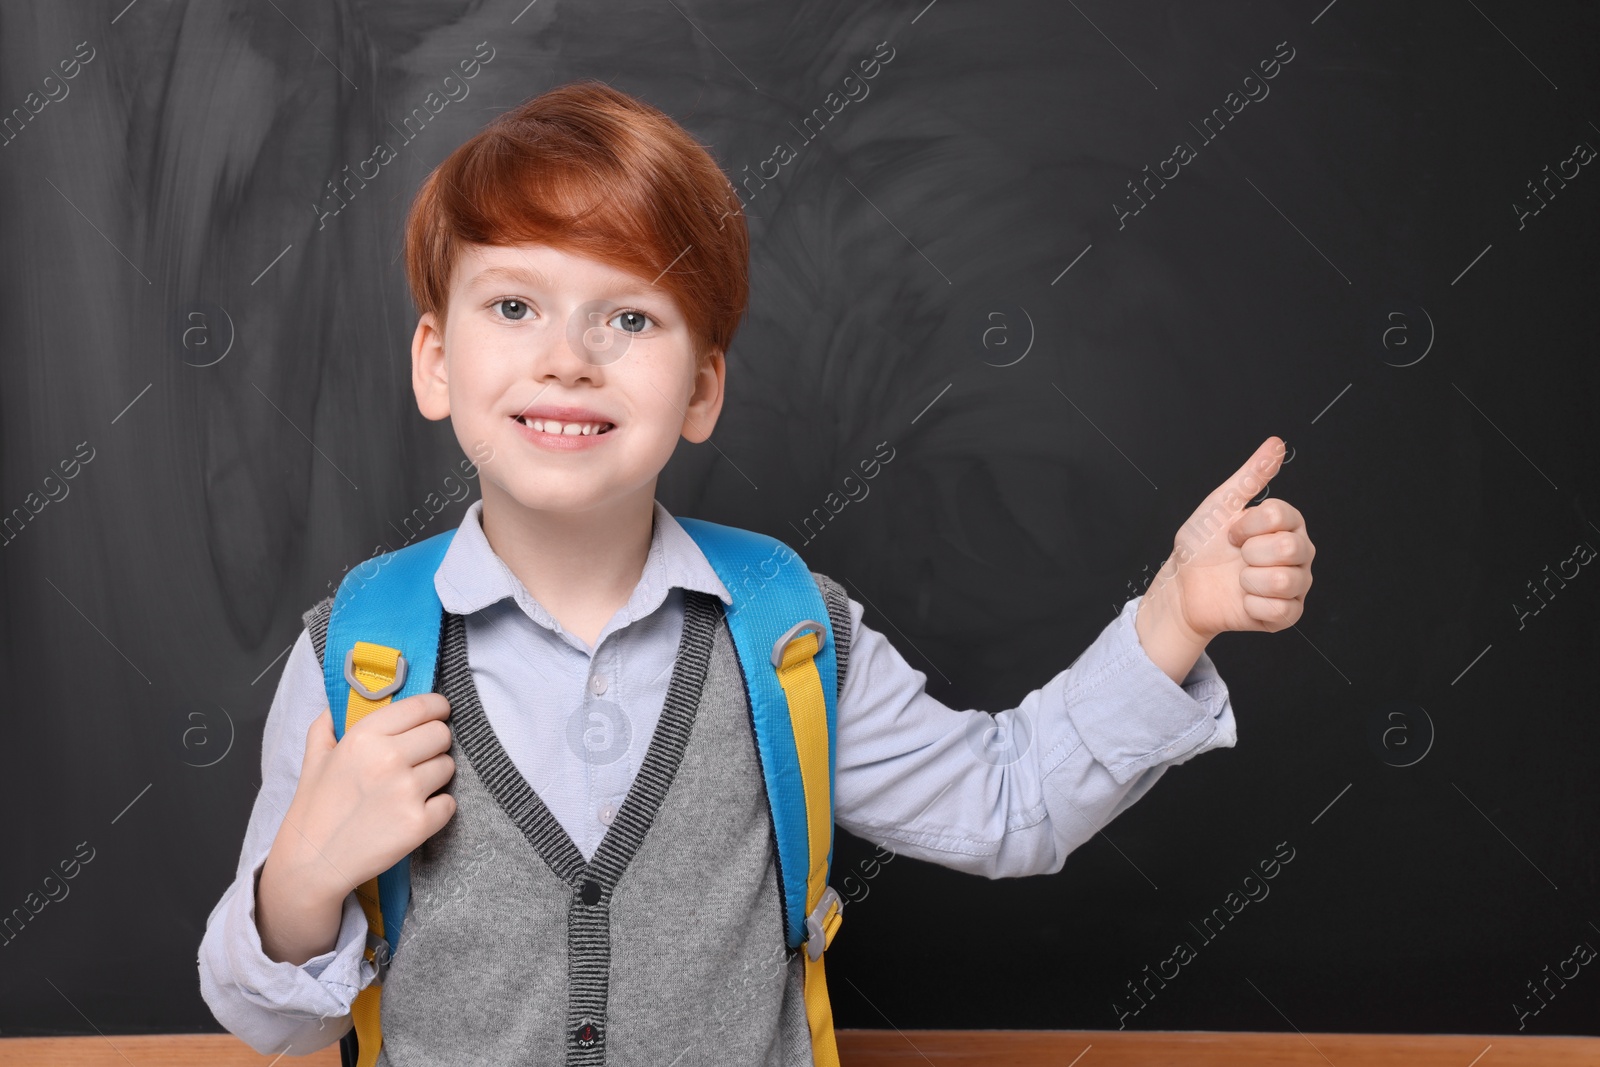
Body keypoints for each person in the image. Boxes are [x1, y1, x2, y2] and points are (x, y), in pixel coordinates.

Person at [197, 80, 1314, 1065]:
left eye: (629, 316)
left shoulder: (789, 635)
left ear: (701, 390)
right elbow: (275, 1023)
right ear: (436, 363)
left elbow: (1008, 804)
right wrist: (301, 879)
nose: (567, 357)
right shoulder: (358, 652)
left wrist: (1173, 615)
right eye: (513, 305)